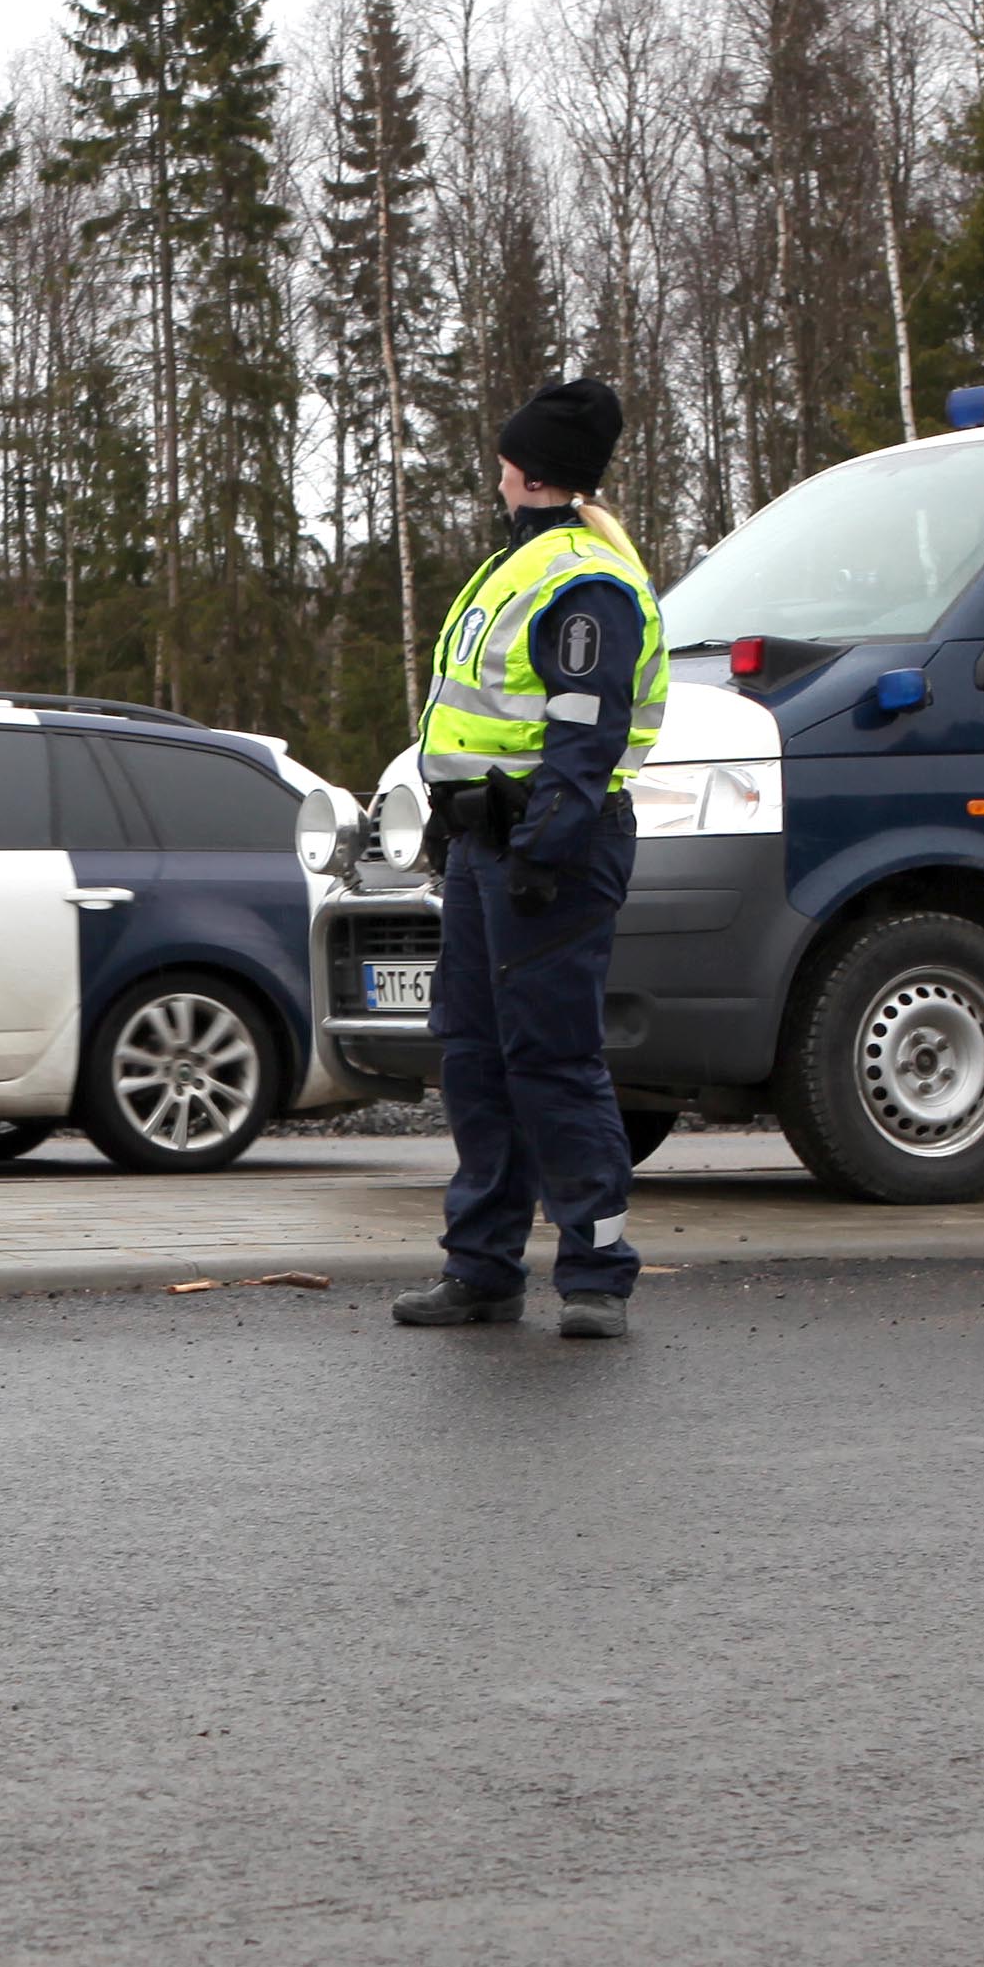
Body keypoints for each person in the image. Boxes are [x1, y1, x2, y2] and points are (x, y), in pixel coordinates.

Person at [393, 378, 665, 1341]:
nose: (497, 470)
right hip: (487, 844)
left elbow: (585, 733)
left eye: (505, 457)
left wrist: (545, 846)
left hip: (552, 847)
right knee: (473, 1054)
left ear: (527, 470)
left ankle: (597, 1275)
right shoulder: (518, 566)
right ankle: (483, 1270)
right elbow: (481, 719)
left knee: (552, 1059)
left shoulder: (583, 581)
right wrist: (449, 814)